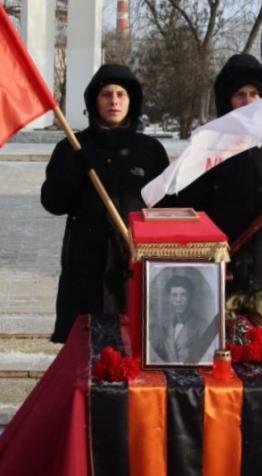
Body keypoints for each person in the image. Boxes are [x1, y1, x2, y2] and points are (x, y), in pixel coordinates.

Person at [168, 54, 262, 343]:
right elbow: (189, 204)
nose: (248, 101)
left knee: (260, 355)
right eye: (240, 95)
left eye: (254, 94)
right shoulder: (209, 144)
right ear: (228, 100)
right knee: (216, 352)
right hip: (222, 268)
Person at [41, 64, 170, 343]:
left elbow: (167, 208)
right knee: (84, 347)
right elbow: (52, 203)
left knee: (133, 346)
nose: (114, 101)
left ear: (131, 100)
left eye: (121, 94)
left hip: (134, 263)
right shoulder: (73, 147)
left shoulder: (150, 151)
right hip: (86, 263)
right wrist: (72, 170)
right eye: (106, 94)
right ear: (94, 101)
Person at [151, 273, 214, 364]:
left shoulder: (203, 326)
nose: (178, 300)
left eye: (183, 295)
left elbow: (208, 359)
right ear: (170, 298)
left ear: (190, 297)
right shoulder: (165, 326)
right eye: (174, 295)